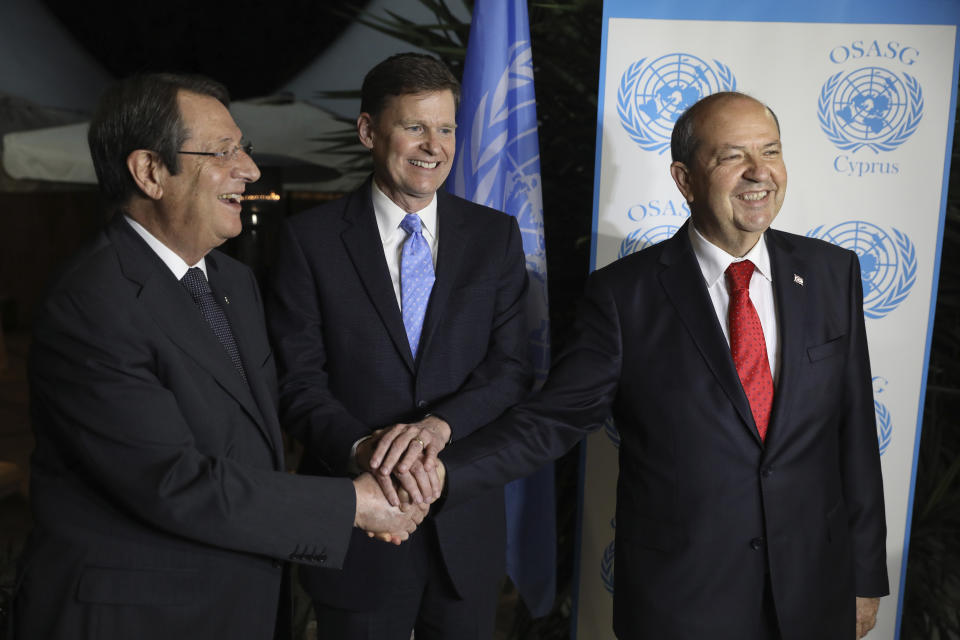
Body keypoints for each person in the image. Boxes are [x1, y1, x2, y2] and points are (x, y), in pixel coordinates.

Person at [429, 92, 889, 639]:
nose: (758, 173)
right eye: (731, 157)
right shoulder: (625, 296)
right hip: (684, 602)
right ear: (685, 179)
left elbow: (855, 433)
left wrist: (864, 578)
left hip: (814, 591)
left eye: (770, 152)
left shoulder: (833, 272)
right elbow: (552, 420)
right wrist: (438, 474)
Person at [13, 73, 424, 640]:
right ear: (150, 172)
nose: (250, 170)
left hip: (238, 601)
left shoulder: (232, 281)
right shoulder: (93, 303)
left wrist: (368, 450)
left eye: (243, 148)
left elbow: (262, 418)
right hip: (137, 617)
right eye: (223, 151)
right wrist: (352, 504)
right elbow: (174, 482)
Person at [266, 53, 531, 639]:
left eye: (446, 128)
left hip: (463, 525)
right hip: (357, 529)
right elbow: (296, 382)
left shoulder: (495, 237)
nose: (433, 145)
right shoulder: (309, 242)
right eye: (414, 126)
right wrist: (368, 451)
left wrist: (439, 428)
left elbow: (511, 369)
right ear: (369, 131)